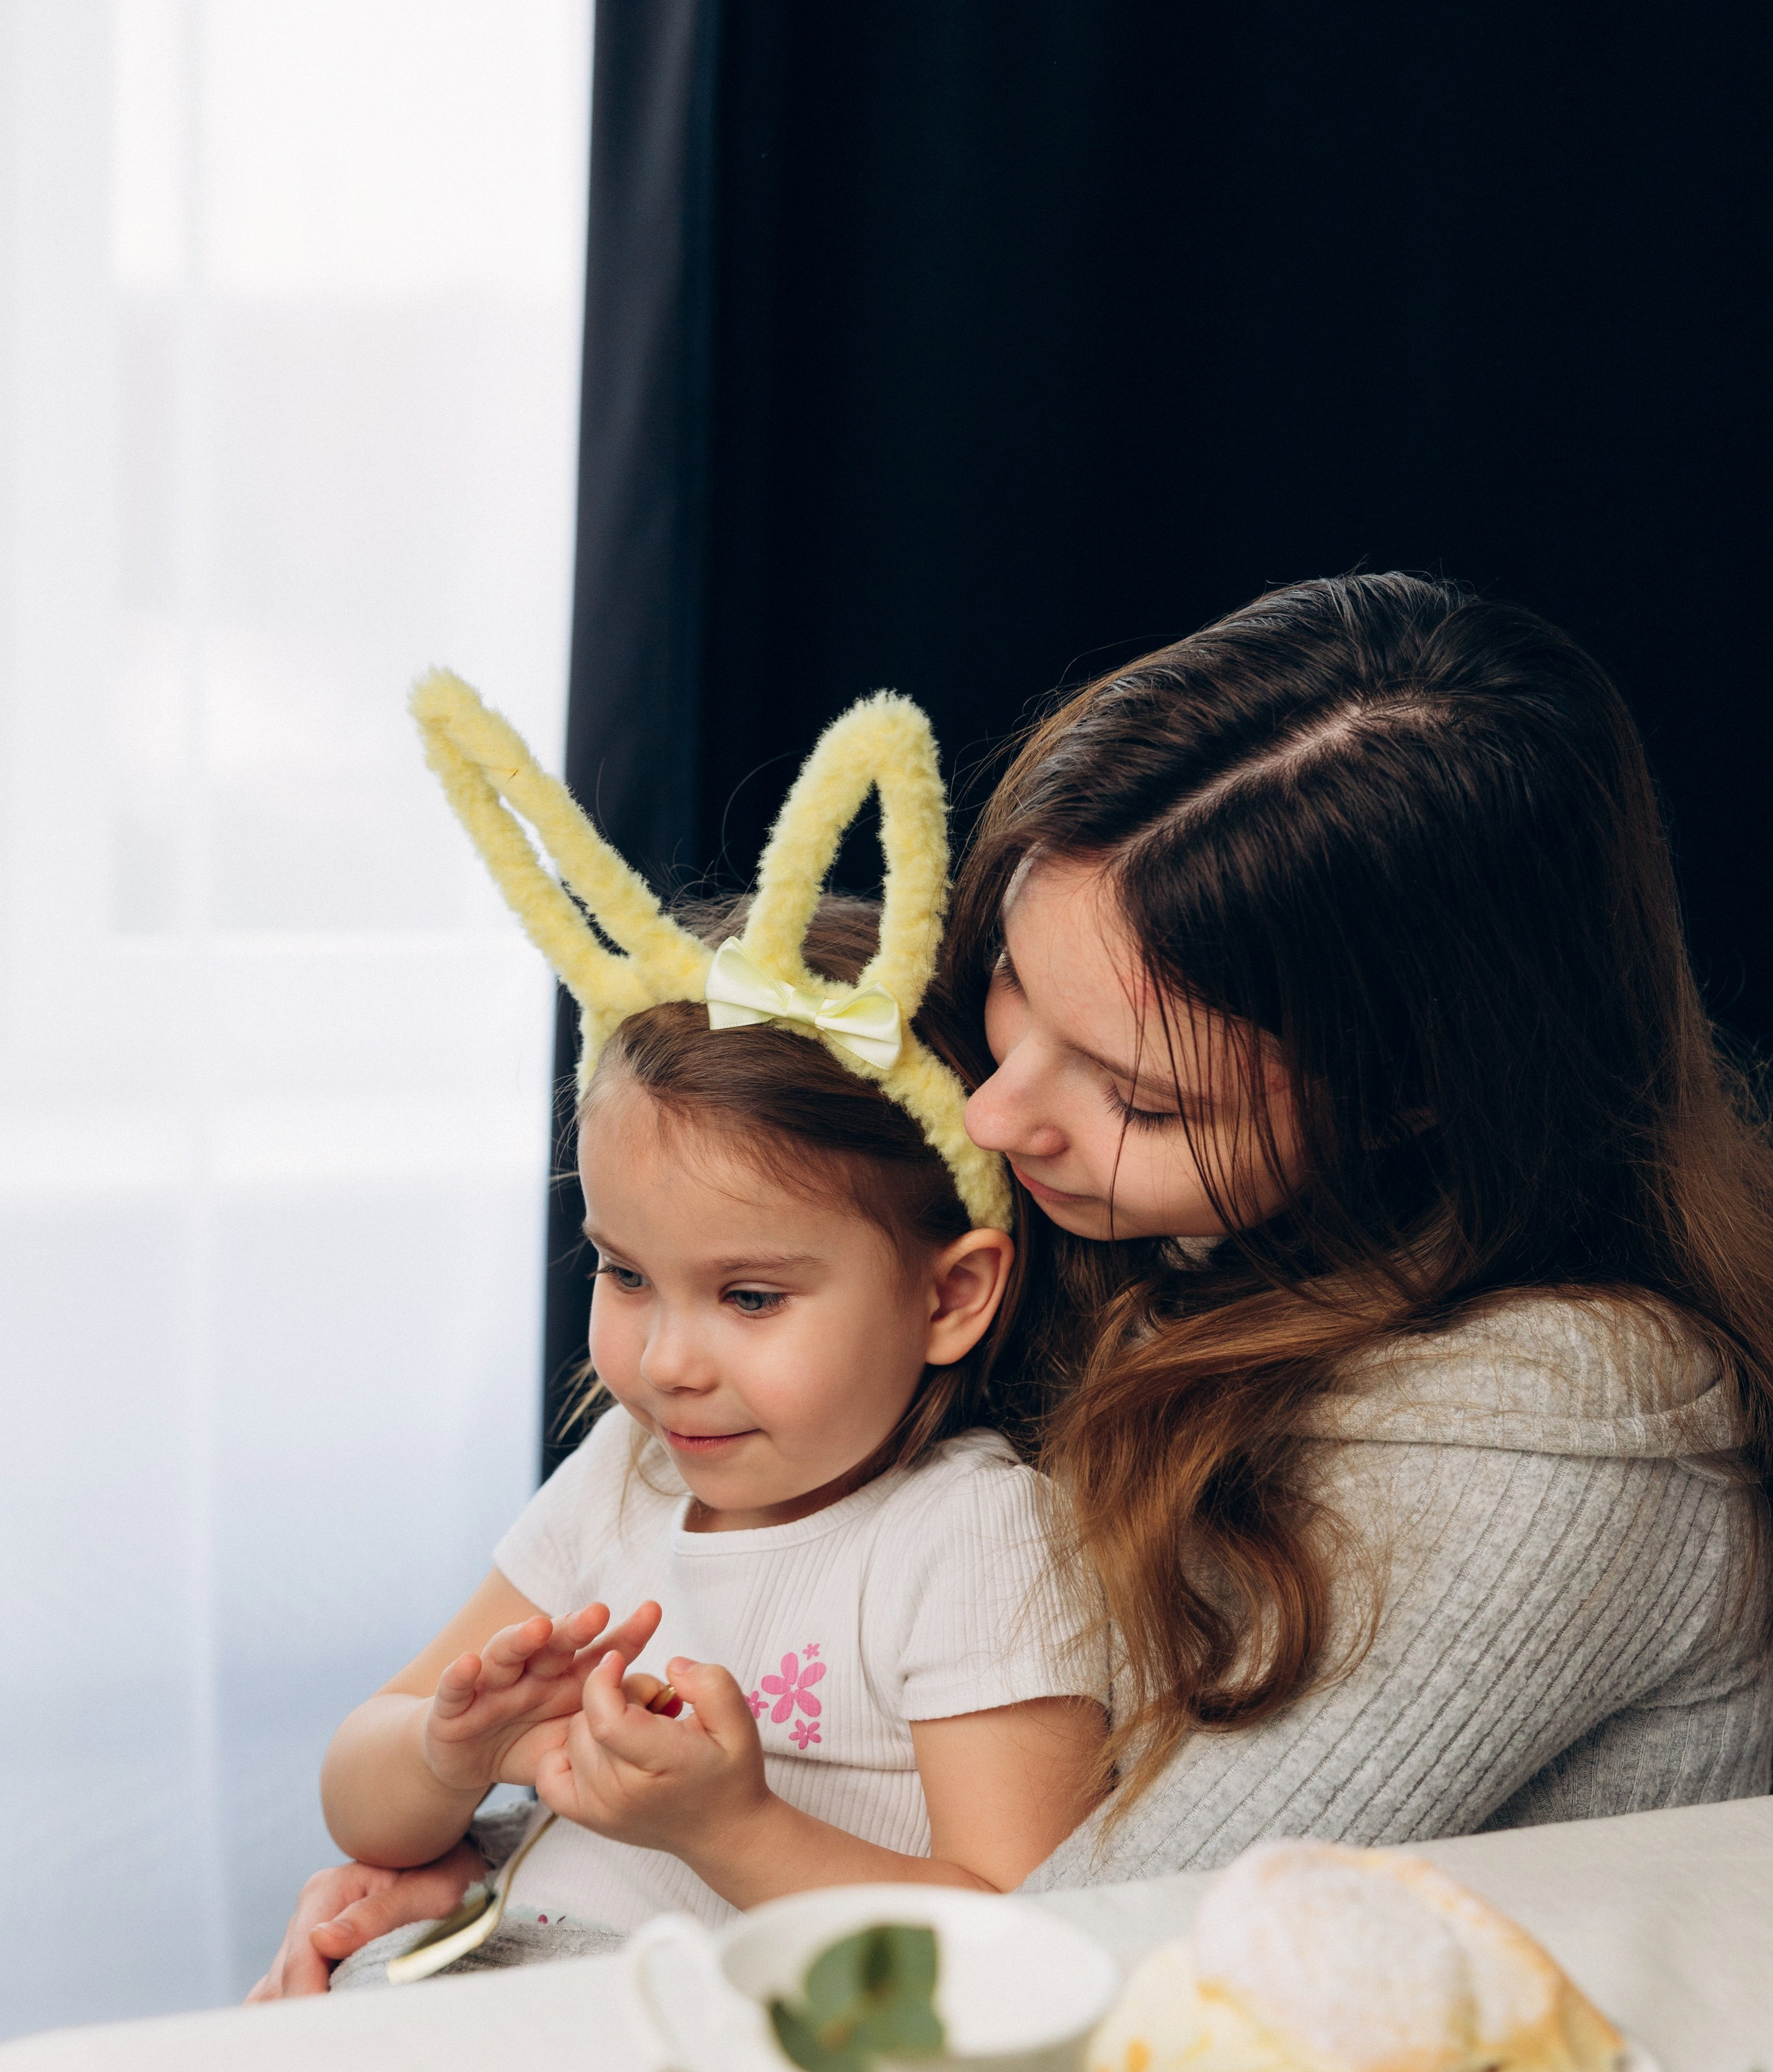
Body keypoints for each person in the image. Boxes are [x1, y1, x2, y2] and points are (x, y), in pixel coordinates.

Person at [255, 572, 1773, 1986]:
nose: (989, 1112)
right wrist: (487, 1864)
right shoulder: (1149, 1240)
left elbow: (1098, 1956)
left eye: (1140, 1098)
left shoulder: (1554, 1464)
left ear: (1407, 1099)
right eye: (1008, 989)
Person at [256, 682, 1098, 1996]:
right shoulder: (628, 1477)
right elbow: (360, 1796)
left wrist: (733, 1829)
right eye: (626, 1273)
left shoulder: (971, 1541)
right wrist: (455, 1751)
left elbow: (1018, 1929)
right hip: (487, 1996)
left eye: (751, 1298)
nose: (666, 1362)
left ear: (950, 1296)